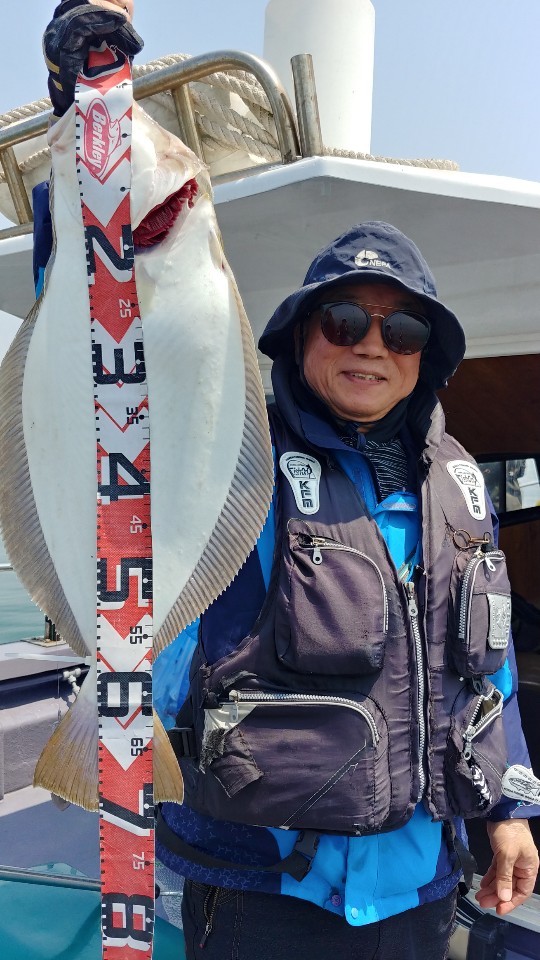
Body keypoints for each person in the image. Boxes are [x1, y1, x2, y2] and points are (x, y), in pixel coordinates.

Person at [41, 5, 540, 959]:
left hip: (422, 886)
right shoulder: (231, 444)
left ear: (427, 356)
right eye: (344, 321)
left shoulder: (458, 481)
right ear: (301, 336)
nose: (371, 346)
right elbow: (98, 340)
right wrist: (87, 95)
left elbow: (488, 666)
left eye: (402, 331)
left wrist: (509, 808)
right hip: (265, 892)